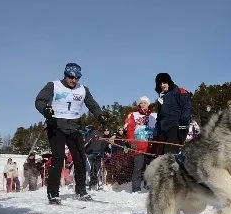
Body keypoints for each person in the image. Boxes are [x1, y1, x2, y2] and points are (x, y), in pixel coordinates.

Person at [35, 62, 107, 205]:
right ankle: (53, 193)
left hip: (74, 127)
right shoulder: (53, 85)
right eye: (70, 77)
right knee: (57, 159)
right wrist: (46, 110)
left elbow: (92, 104)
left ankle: (81, 191)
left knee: (80, 159)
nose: (73, 80)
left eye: (77, 77)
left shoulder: (83, 89)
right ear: (65, 74)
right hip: (56, 125)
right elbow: (39, 101)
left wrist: (100, 115)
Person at [154, 73, 192, 155]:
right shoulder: (161, 98)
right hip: (163, 130)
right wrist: (156, 131)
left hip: (175, 127)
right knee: (159, 154)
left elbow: (186, 108)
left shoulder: (179, 91)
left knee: (170, 154)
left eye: (164, 83)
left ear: (169, 82)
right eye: (160, 84)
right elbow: (159, 116)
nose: (162, 85)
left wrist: (183, 127)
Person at [124, 96, 156, 192]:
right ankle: (136, 188)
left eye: (145, 103)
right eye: (141, 103)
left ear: (148, 104)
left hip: (151, 147)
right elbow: (129, 130)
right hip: (139, 147)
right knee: (138, 168)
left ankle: (149, 186)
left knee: (152, 169)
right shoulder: (134, 115)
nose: (143, 104)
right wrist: (132, 143)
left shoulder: (154, 116)